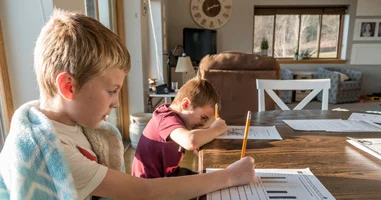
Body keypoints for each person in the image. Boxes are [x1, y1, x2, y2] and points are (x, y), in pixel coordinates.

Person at [0, 9, 255, 200]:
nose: (116, 103)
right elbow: (145, 191)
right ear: (69, 86)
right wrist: (230, 176)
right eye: (112, 91)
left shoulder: (71, 125)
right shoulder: (54, 153)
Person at [132, 78, 227, 178]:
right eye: (203, 118)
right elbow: (191, 141)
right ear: (185, 104)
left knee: (210, 178)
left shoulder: (178, 118)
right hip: (149, 185)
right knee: (211, 181)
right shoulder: (164, 118)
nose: (203, 124)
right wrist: (216, 130)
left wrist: (205, 133)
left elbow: (196, 134)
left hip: (168, 175)